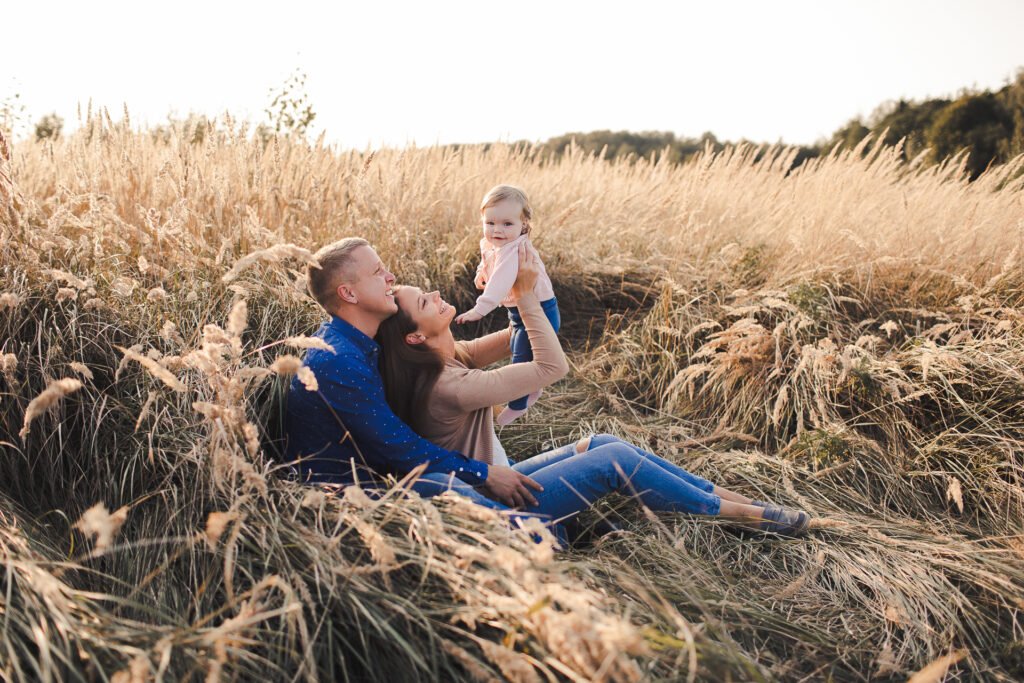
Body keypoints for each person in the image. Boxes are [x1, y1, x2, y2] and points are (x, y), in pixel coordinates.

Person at [376, 239, 812, 538]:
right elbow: (551, 365)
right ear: (415, 336)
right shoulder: (448, 385)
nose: (436, 293)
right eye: (424, 301)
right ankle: (741, 517)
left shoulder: (450, 356)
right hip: (502, 508)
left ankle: (732, 501)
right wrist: (524, 298)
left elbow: (524, 334)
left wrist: (512, 285)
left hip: (505, 481)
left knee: (601, 442)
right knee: (612, 460)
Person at [284, 237, 544, 509]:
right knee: (443, 484)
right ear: (349, 294)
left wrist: (517, 292)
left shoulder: (364, 345)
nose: (390, 277)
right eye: (378, 272)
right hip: (348, 501)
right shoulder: (338, 361)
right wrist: (483, 473)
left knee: (510, 473)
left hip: (390, 480)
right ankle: (530, 528)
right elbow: (398, 447)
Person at [453, 185, 560, 426]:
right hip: (518, 312)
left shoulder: (514, 251)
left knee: (520, 358)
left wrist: (480, 309)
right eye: (490, 223)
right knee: (517, 347)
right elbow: (488, 262)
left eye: (507, 224)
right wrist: (481, 275)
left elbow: (500, 283)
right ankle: (533, 385)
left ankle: (517, 405)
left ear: (524, 224)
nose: (497, 230)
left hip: (540, 311)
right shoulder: (496, 244)